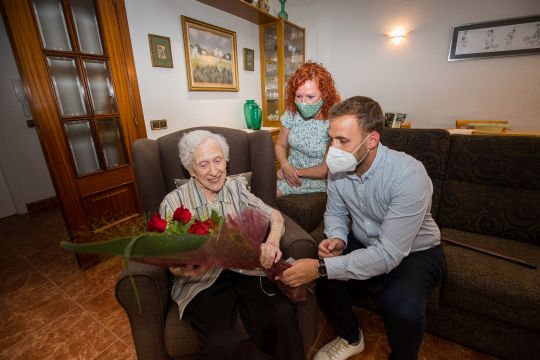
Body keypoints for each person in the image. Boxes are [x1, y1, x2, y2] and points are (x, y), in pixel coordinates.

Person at [277, 97, 447, 360]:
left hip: (415, 251)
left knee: (401, 306)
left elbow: (389, 253)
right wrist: (337, 237)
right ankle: (351, 337)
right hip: (366, 241)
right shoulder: (339, 169)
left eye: (343, 141)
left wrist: (321, 268)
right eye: (331, 139)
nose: (333, 150)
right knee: (326, 284)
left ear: (372, 140)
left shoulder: (409, 175)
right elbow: (335, 212)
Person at [159, 130, 305, 360]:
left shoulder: (235, 187)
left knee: (283, 315)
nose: (215, 171)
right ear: (190, 169)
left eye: (218, 161)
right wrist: (187, 265)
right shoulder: (173, 203)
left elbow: (275, 216)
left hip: (245, 268)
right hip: (204, 281)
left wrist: (271, 242)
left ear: (226, 160)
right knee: (221, 345)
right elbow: (173, 266)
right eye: (204, 164)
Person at [275, 61, 341, 197]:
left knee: (267, 197)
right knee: (256, 192)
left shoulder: (334, 122)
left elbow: (324, 170)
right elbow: (280, 145)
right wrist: (285, 165)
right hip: (288, 172)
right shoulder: (291, 113)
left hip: (316, 180)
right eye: (299, 96)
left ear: (325, 94)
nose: (303, 102)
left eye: (310, 97)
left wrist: (292, 172)